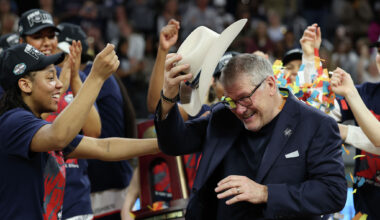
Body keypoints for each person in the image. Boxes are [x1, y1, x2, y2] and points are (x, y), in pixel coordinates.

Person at [154, 53, 347, 219]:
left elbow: (332, 193)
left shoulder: (315, 124)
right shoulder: (223, 115)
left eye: (245, 98)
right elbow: (173, 143)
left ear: (271, 85)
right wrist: (168, 98)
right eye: (231, 100)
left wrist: (265, 193)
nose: (239, 109)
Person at [0, 43, 159, 219]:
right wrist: (96, 78)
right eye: (51, 78)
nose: (60, 84)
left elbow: (103, 147)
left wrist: (165, 144)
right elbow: (58, 136)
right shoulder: (12, 122)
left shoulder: (33, 126)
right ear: (25, 85)